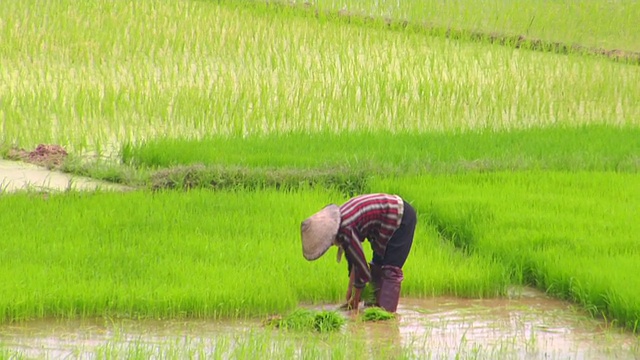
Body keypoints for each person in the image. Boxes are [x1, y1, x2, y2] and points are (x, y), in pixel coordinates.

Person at [300, 193, 417, 312]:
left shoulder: (345, 230)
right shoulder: (341, 222)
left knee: (390, 270)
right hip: (382, 225)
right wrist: (350, 292)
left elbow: (363, 270)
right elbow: (355, 261)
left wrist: (354, 302)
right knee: (377, 264)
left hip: (401, 218)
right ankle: (373, 308)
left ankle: (387, 318)